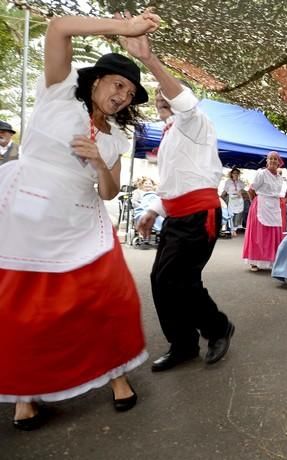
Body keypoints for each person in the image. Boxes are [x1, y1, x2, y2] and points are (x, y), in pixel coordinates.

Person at [0, 12, 157, 430]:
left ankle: (116, 376)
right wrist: (123, 28)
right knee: (25, 307)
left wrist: (97, 161)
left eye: (130, 92)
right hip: (27, 212)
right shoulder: (58, 91)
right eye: (118, 84)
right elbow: (58, 27)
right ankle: (24, 396)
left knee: (109, 296)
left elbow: (108, 191)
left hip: (81, 216)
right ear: (97, 80)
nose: (123, 95)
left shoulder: (117, 138)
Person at [128, 22, 235, 373]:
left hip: (198, 213)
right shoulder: (170, 135)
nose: (161, 96)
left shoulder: (195, 122)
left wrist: (150, 61)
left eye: (167, 94)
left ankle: (217, 328)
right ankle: (183, 343)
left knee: (179, 280)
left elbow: (185, 104)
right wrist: (153, 210)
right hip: (176, 215)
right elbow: (173, 181)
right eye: (157, 94)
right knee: (162, 280)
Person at [242, 151, 286, 271]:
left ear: (278, 162)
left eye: (275, 159)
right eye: (270, 158)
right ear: (266, 161)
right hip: (261, 205)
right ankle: (254, 261)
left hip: (274, 206)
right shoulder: (261, 173)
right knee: (259, 233)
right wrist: (254, 205)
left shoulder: (280, 177)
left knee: (274, 232)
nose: (272, 161)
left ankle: (272, 260)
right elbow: (251, 190)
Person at [222, 168, 246, 234]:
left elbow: (243, 191)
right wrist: (221, 197)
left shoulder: (240, 182)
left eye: (237, 173)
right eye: (234, 173)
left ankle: (235, 229)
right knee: (230, 214)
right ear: (231, 174)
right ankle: (229, 229)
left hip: (239, 200)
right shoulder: (228, 181)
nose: (235, 174)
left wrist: (241, 193)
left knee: (238, 214)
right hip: (231, 199)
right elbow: (225, 191)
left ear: (238, 174)